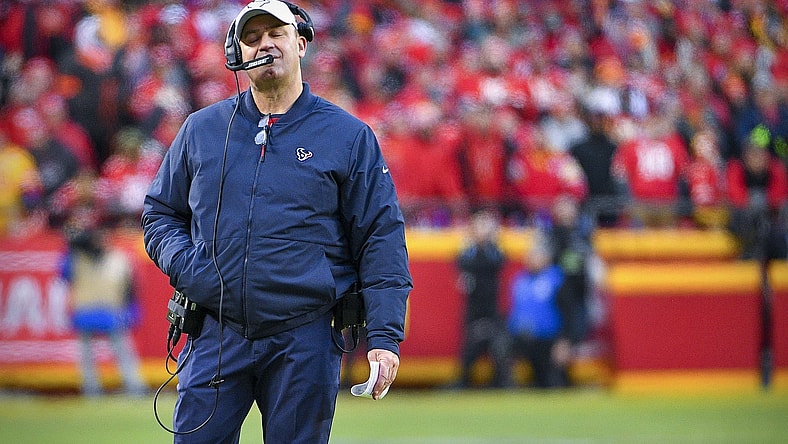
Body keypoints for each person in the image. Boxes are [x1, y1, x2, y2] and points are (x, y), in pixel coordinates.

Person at [141, 1, 412, 443]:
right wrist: (191, 269)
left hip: (304, 335)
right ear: (237, 54)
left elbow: (380, 238)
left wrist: (384, 336)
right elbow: (160, 213)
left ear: (300, 44)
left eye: (276, 34)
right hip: (216, 329)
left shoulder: (348, 136)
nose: (264, 44)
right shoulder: (201, 129)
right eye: (251, 38)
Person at [61, 205, 146, 397]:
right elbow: (63, 272)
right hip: (86, 310)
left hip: (111, 311)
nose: (101, 240)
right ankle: (91, 389)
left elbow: (130, 289)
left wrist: (133, 312)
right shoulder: (77, 257)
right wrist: (78, 242)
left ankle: (135, 387)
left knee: (122, 351)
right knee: (87, 354)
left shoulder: (118, 258)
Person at [454, 210, 509, 388]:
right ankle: (463, 381)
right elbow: (462, 262)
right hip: (474, 308)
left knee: (499, 347)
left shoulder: (494, 251)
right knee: (469, 347)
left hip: (492, 308)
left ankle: (502, 382)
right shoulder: (469, 251)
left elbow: (496, 262)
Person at [506, 238, 571, 388]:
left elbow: (568, 312)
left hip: (549, 340)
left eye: (536, 255)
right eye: (530, 255)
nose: (532, 259)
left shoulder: (557, 279)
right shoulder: (520, 280)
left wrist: (564, 340)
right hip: (523, 337)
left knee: (551, 381)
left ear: (547, 257)